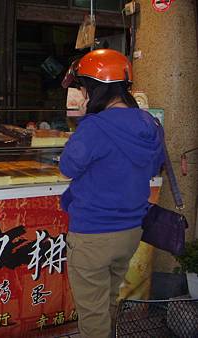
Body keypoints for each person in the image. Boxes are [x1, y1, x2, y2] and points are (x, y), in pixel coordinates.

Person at [59, 49, 165, 338]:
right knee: (108, 301)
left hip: (94, 233)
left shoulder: (94, 127)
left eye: (82, 87)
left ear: (95, 88)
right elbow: (154, 165)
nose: (81, 94)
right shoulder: (148, 123)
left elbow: (67, 167)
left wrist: (82, 125)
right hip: (130, 231)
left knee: (92, 314)